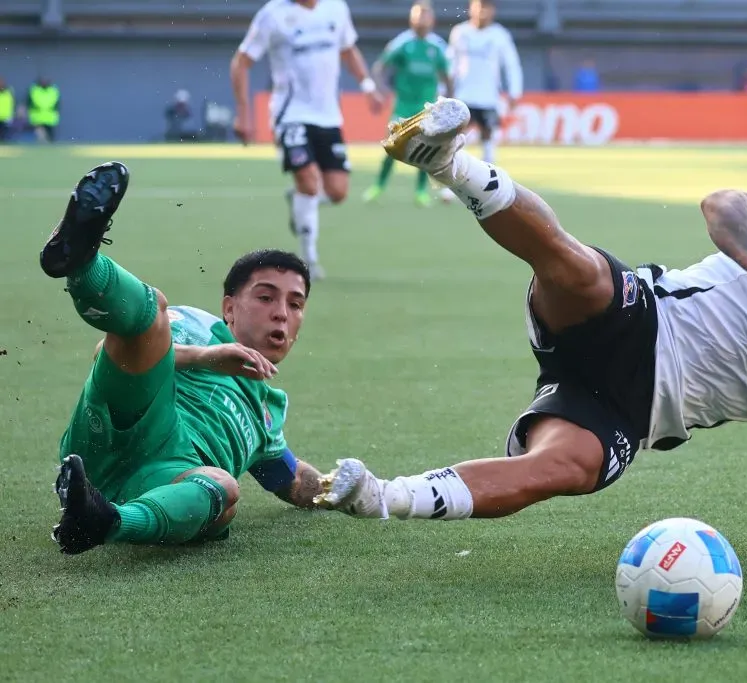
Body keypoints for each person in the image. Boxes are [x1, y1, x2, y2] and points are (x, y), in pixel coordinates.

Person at [314, 98, 747, 552]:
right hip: (639, 322)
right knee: (578, 269)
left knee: (563, 469)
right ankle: (447, 160)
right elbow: (722, 202)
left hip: (628, 410)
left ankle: (378, 495)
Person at [43, 162, 349, 555]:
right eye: (266, 296)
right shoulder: (195, 325)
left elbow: (294, 482)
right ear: (229, 308)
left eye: (295, 303)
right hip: (121, 427)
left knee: (223, 487)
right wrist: (206, 357)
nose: (281, 313)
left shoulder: (267, 415)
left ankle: (102, 520)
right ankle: (82, 262)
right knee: (153, 313)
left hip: (165, 477)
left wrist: (347, 489)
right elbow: (109, 352)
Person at [230, 0, 385, 280]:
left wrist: (367, 86)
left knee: (337, 191)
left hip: (328, 116)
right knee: (309, 180)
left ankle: (301, 200)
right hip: (290, 114)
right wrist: (243, 113)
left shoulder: (336, 8)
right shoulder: (272, 15)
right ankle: (309, 260)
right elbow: (241, 62)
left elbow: (348, 49)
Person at [363, 1, 452, 207]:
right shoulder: (401, 43)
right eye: (418, 15)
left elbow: (447, 77)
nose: (421, 19)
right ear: (411, 18)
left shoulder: (437, 47)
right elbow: (379, 67)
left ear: (432, 19)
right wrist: (382, 89)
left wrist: (449, 102)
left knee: (426, 149)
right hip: (403, 106)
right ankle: (378, 186)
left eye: (425, 15)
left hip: (426, 107)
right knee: (392, 146)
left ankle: (421, 191)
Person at [446, 0, 522, 166]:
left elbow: (511, 65)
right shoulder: (460, 32)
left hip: (488, 96)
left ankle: (489, 183)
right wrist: (445, 89)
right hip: (463, 95)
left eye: (486, 7)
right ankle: (451, 182)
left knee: (488, 138)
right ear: (470, 8)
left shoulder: (500, 35)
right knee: (457, 139)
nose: (482, 11)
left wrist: (515, 92)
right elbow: (450, 63)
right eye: (478, 6)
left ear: (493, 10)